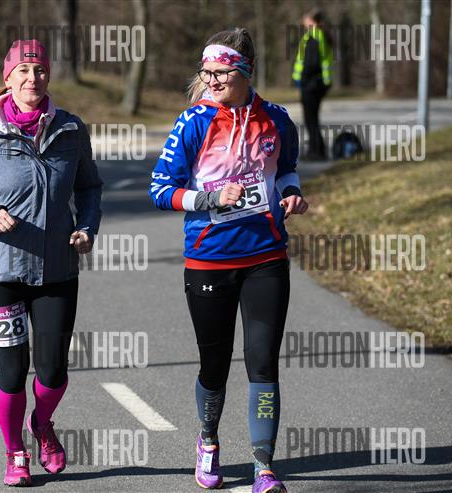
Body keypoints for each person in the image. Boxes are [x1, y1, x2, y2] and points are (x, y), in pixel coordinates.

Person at [0, 39, 102, 487]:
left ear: (49, 76)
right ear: (7, 78)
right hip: (0, 273)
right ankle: (15, 452)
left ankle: (41, 425)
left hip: (57, 270)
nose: (33, 78)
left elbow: (89, 187)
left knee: (53, 372)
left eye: (40, 70)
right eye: (23, 71)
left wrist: (87, 228)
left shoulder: (71, 129)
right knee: (12, 371)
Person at [149, 28, 308, 492]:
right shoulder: (193, 122)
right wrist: (211, 198)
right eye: (207, 73)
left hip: (266, 257)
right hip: (209, 259)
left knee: (263, 362)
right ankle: (208, 439)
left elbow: (287, 169)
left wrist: (292, 194)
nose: (212, 80)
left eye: (221, 72)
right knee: (214, 365)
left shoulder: (278, 119)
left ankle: (264, 466)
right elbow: (160, 190)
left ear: (246, 71)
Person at [292, 8, 333, 160]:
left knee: (310, 119)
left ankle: (316, 152)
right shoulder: (318, 35)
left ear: (311, 20)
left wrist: (302, 80)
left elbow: (311, 63)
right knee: (312, 118)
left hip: (311, 84)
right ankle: (318, 149)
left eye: (305, 18)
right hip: (316, 83)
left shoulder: (314, 36)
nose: (303, 20)